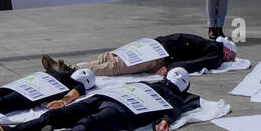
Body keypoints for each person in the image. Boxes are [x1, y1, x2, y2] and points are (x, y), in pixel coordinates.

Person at [0, 69, 199, 131]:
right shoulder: (151, 82)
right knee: (57, 115)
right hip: (108, 98)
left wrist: (164, 122)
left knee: (88, 125)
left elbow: (173, 112)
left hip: (124, 111)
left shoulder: (178, 98)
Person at [41, 31, 239, 80]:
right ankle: (70, 67)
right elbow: (194, 61)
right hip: (155, 49)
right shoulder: (212, 48)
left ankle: (70, 69)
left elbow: (195, 63)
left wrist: (169, 69)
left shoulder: (213, 51)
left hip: (156, 51)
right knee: (112, 60)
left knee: (114, 63)